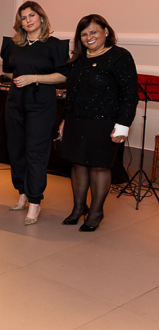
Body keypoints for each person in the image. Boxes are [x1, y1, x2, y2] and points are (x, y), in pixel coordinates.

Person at [58, 15, 138, 231]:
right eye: (84, 34)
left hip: (105, 123)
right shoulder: (79, 58)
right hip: (77, 120)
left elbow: (130, 95)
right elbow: (72, 93)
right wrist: (65, 119)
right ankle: (78, 208)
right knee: (77, 164)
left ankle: (95, 212)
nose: (88, 37)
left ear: (106, 31)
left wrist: (123, 126)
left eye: (93, 32)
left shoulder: (120, 56)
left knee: (99, 166)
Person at [1, 1, 69, 225]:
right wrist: (20, 78)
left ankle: (35, 201)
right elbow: (8, 70)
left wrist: (34, 78)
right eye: (23, 17)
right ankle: (22, 193)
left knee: (36, 151)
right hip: (15, 102)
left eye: (31, 15)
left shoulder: (54, 45)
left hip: (41, 104)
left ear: (41, 17)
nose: (28, 20)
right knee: (16, 149)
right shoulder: (15, 44)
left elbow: (63, 76)